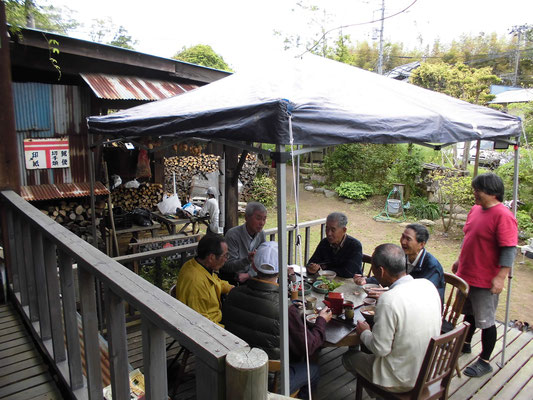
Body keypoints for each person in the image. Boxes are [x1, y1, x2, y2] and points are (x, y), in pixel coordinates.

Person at [222, 241, 332, 398]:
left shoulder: (233, 294)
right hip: (270, 383)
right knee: (312, 370)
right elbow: (309, 346)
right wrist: (321, 320)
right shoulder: (284, 308)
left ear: (253, 267)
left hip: (237, 370)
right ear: (282, 270)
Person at [343, 243, 442, 392]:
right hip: (428, 371)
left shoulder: (389, 300)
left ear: (381, 271)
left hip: (401, 379)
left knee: (348, 357)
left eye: (374, 271)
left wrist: (364, 332)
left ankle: (380, 394)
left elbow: (380, 349)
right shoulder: (427, 285)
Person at [452, 173, 517, 378]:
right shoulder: (475, 210)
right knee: (468, 313)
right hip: (466, 274)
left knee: (486, 320)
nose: (474, 193)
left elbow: (509, 249)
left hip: (485, 279)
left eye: (477, 189)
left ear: (492, 191)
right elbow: (468, 237)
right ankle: (466, 344)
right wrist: (458, 260)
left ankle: (485, 360)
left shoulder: (503, 215)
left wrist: (501, 277)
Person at [354, 224, 445, 304]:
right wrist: (367, 281)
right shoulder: (402, 255)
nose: (403, 241)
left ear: (421, 244)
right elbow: (389, 274)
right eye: (403, 237)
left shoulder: (432, 266)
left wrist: (390, 295)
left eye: (408, 239)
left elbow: (421, 296)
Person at [175, 235, 233, 327]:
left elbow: (216, 282)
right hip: (211, 328)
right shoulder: (196, 282)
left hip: (217, 317)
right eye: (225, 255)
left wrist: (232, 289)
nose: (226, 259)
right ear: (211, 258)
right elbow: (202, 324)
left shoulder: (199, 264)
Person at [306, 212, 363, 278]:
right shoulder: (324, 243)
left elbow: (349, 272)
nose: (328, 233)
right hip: (327, 283)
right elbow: (311, 263)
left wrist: (322, 268)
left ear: (344, 230)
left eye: (333, 230)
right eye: (327, 228)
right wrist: (311, 268)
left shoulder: (355, 246)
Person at [223, 202, 267, 283]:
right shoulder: (233, 235)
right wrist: (247, 260)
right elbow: (227, 266)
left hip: (253, 278)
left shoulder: (261, 235)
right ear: (246, 218)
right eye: (258, 218)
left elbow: (263, 261)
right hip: (233, 280)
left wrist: (249, 275)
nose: (262, 223)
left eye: (264, 219)